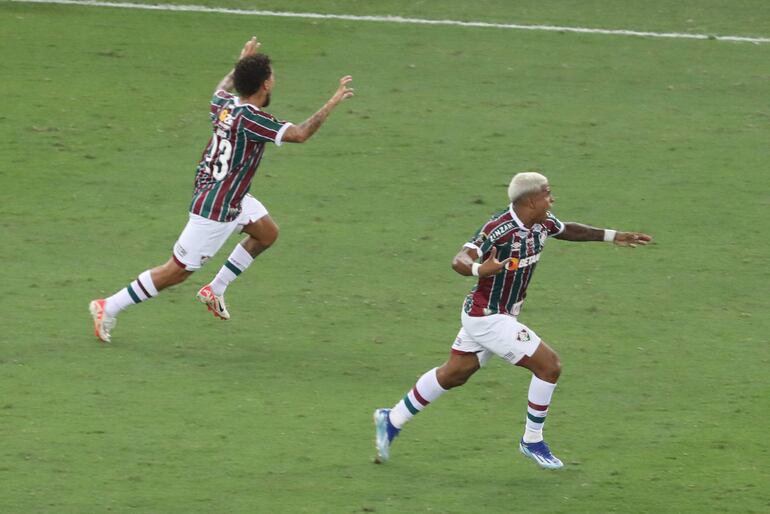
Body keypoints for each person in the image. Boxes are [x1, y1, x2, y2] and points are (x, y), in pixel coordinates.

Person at [373, 172, 652, 468]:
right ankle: (532, 440)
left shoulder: (542, 222)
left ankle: (391, 419)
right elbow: (460, 260)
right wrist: (482, 269)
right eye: (547, 194)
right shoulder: (498, 229)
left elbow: (570, 230)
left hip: (499, 313)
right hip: (488, 317)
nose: (552, 198)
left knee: (455, 373)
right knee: (549, 366)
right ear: (531, 200)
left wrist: (613, 236)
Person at [89, 37, 354, 342]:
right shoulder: (253, 119)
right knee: (176, 271)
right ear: (265, 85)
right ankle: (108, 306)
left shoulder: (224, 105)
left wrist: (238, 64)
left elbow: (220, 88)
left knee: (267, 233)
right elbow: (300, 134)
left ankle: (215, 289)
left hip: (227, 193)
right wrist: (332, 102)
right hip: (216, 207)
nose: (274, 81)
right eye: (272, 77)